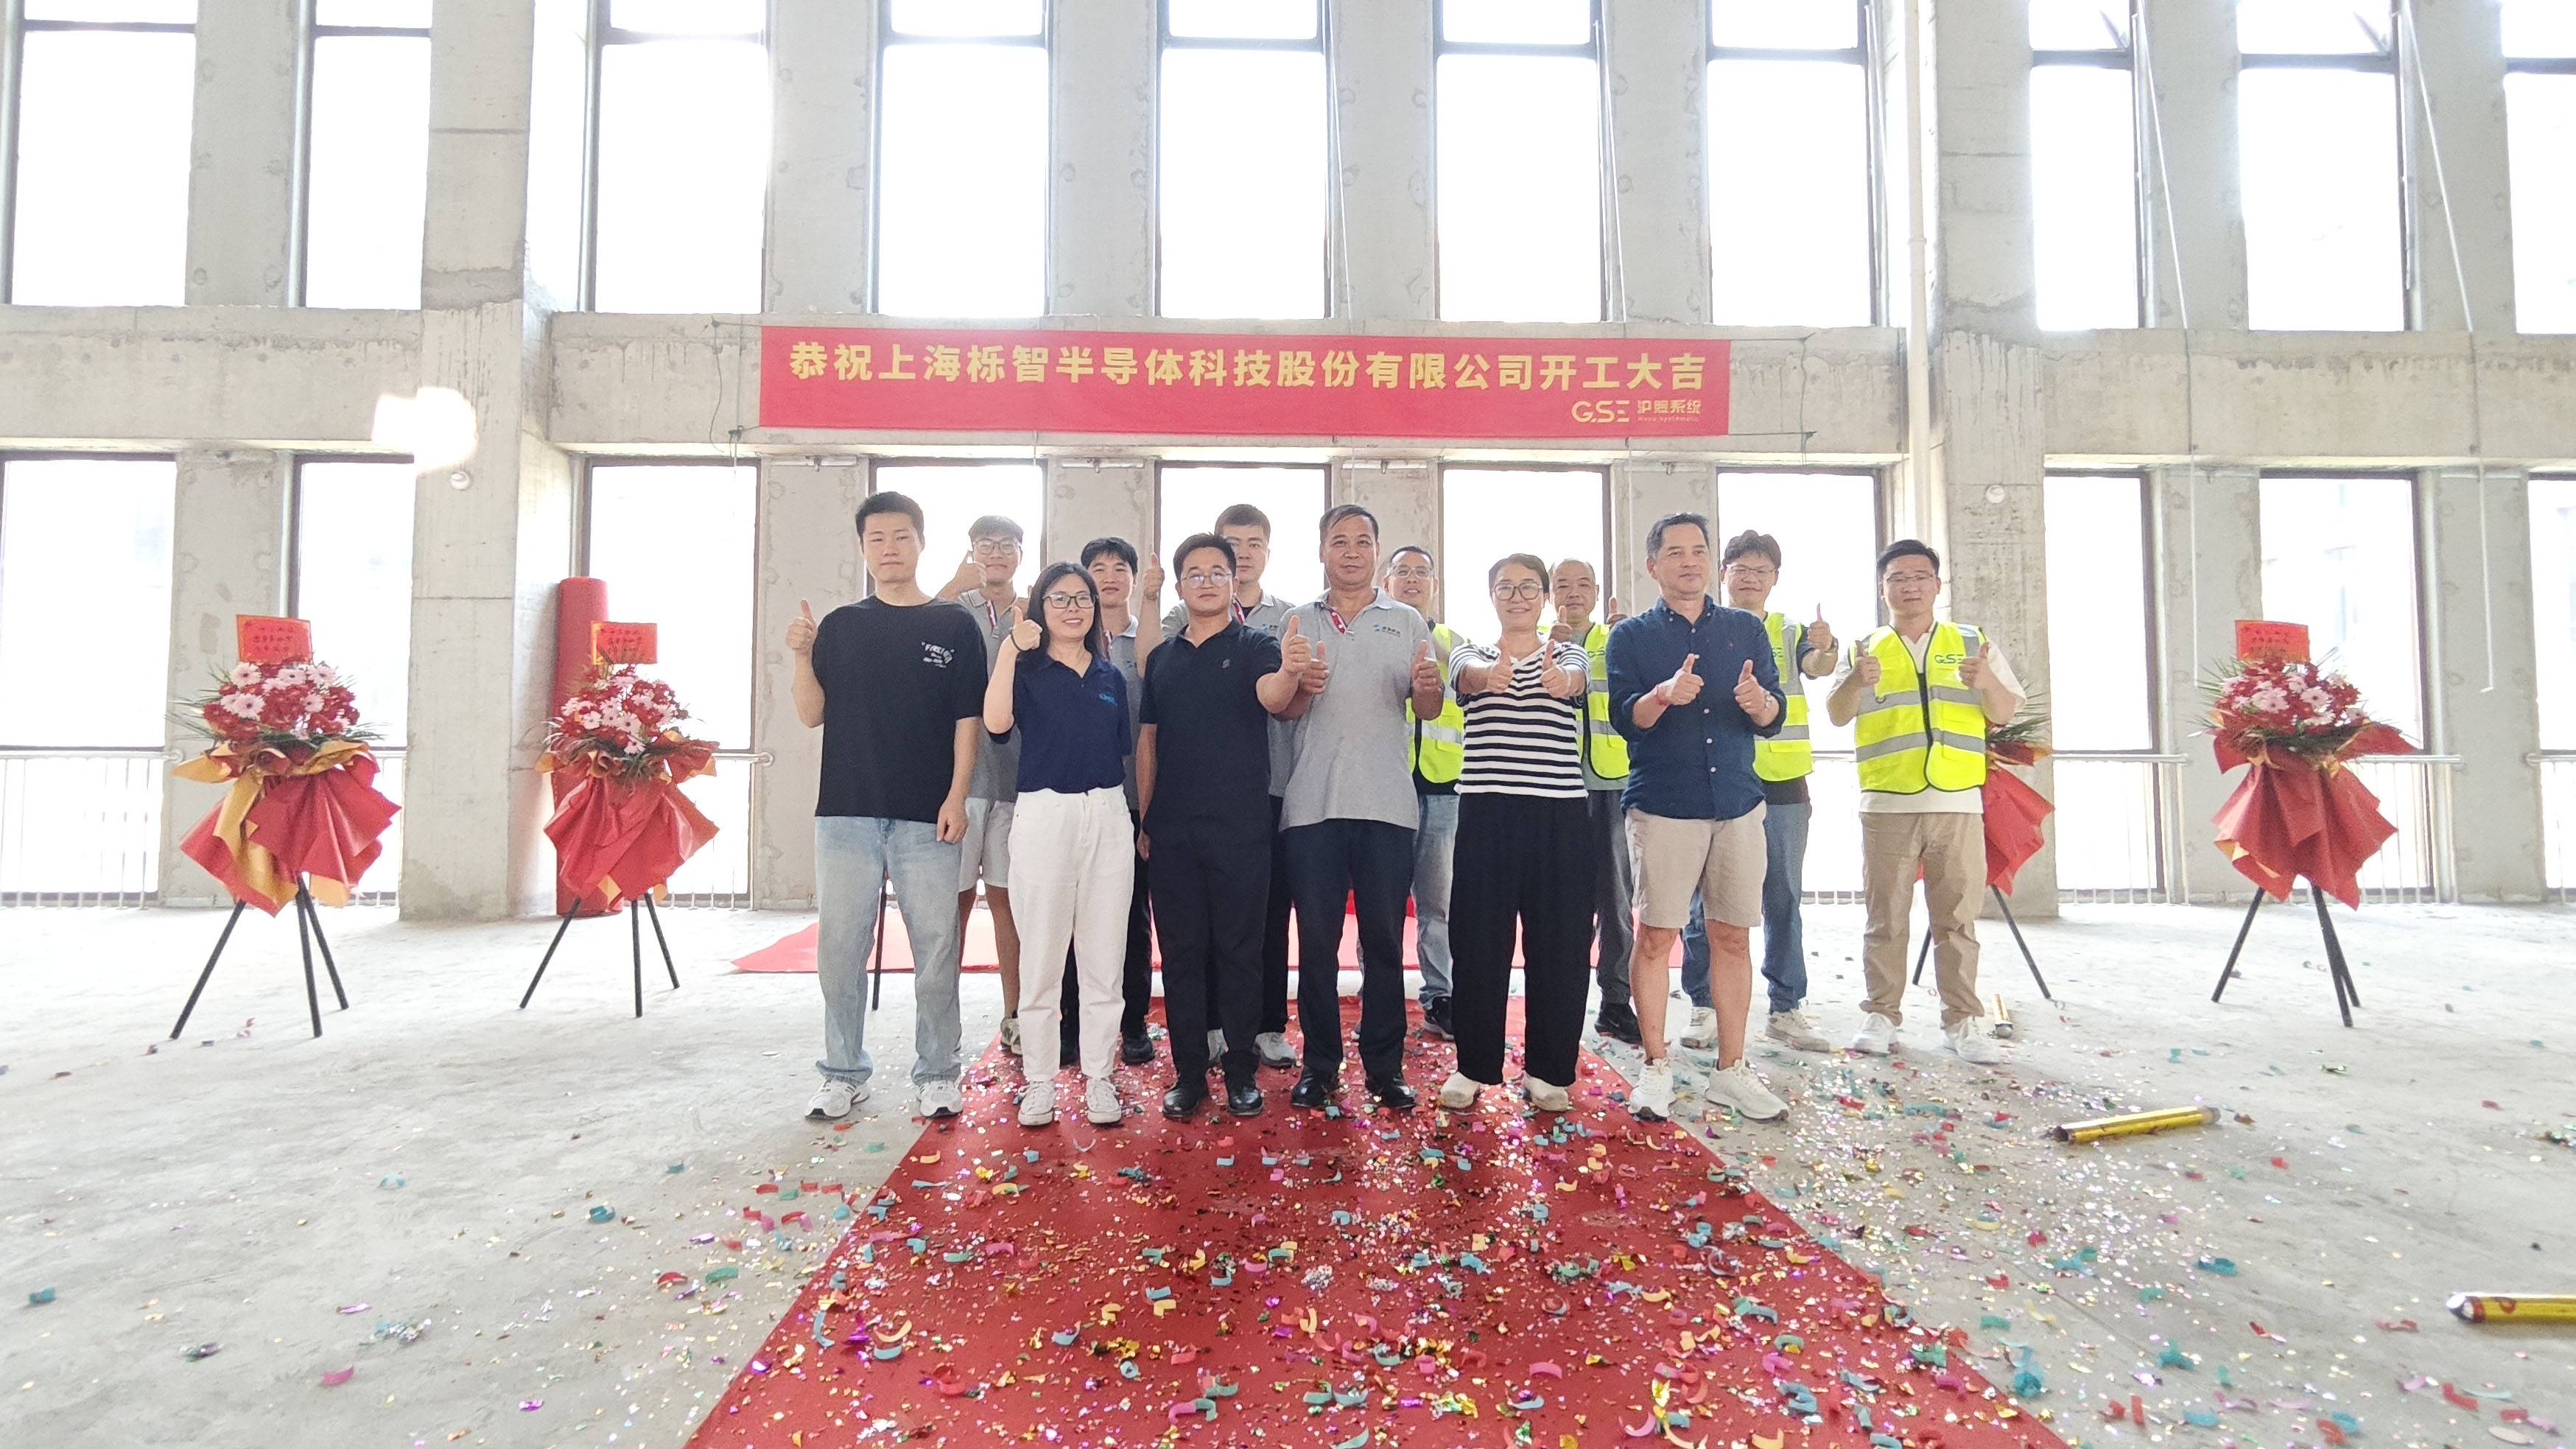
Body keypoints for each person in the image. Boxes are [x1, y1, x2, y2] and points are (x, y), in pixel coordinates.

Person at [788, 491, 983, 1122]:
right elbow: (811, 713)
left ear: (921, 543)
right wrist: (801, 656)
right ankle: (842, 1072)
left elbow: (968, 720)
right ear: (863, 548)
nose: (890, 548)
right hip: (845, 813)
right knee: (840, 949)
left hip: (928, 815)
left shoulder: (953, 625)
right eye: (877, 538)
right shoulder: (841, 625)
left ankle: (938, 1071)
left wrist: (956, 795)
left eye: (901, 536)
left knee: (937, 947)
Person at [1606, 513, 1791, 1123]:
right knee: (1656, 937)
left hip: (1737, 802)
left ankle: (1730, 1071)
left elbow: (1773, 711)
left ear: (1710, 561)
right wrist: (1661, 695)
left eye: (1697, 551)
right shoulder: (1630, 636)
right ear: (1652, 565)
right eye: (1674, 552)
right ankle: (1655, 1065)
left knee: (1732, 935)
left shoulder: (1745, 628)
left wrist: (1760, 703)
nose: (1688, 561)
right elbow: (1625, 719)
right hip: (1664, 805)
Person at [1824, 539, 2024, 1064]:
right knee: (1885, 917)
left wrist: (1985, 682)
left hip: (1957, 803)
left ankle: (1962, 1020)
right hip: (1886, 802)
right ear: (1882, 588)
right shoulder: (1864, 648)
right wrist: (1854, 679)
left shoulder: (1972, 642)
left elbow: (2004, 712)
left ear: (1937, 585)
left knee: (1956, 919)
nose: (1909, 586)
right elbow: (1837, 714)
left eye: (1919, 577)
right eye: (1897, 578)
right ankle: (1881, 1014)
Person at [1279, 504, 1444, 1112]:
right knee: (1316, 945)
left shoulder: (1407, 620)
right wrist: (1300, 686)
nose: (1351, 551)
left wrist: (1427, 689)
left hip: (1387, 805)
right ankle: (1319, 1065)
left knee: (1383, 945)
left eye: (1362, 541)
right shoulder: (1299, 619)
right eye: (1339, 540)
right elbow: (1284, 711)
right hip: (1312, 805)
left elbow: (1426, 708)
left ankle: (1384, 1065)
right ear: (1321, 550)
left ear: (1376, 551)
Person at [1137, 534, 1303, 1120]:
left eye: (1216, 571)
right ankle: (1187, 1073)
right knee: (1181, 953)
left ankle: (1239, 1070)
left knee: (1239, 951)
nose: (1205, 581)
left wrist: (1290, 670)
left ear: (1233, 582)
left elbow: (1273, 697)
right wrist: (1145, 818)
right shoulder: (1162, 658)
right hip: (1172, 831)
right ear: (1180, 585)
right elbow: (1149, 741)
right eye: (1194, 573)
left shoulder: (1256, 644)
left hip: (1240, 829)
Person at [1436, 554, 1596, 1114]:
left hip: (1559, 816)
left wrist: (1561, 680)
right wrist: (1488, 678)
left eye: (1529, 587)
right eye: (1506, 587)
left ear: (1545, 597)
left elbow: (1576, 681)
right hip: (1487, 812)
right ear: (1492, 597)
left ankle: (1548, 1070)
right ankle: (1472, 1065)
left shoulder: (1569, 652)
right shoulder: (1471, 652)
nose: (1518, 596)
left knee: (1560, 945)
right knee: (1478, 942)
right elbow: (1466, 678)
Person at [986, 561, 1136, 1128]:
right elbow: (996, 722)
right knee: (1043, 956)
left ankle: (1099, 1076)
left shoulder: (1109, 675)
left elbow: (1119, 748)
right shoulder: (1026, 670)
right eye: (1059, 598)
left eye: (1082, 598)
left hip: (1106, 812)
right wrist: (1009, 648)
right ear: (1040, 608)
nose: (1073, 608)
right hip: (1044, 814)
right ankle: (1040, 1081)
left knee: (1104, 956)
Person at [1677, 530, 1838, 1055]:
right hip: (1718, 777)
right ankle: (1704, 1004)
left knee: (1783, 895)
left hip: (1782, 781)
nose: (1749, 578)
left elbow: (1817, 666)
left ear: (1775, 579)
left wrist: (1825, 647)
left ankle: (1786, 1006)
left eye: (1760, 570)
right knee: (1704, 900)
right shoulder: (1702, 627)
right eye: (1740, 568)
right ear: (1723, 573)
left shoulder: (1790, 630)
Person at [1051, 536, 1164, 1070]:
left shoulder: (1152, 638)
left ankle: (1133, 1022)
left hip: (1136, 798)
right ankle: (1070, 1023)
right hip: (1078, 798)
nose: (1110, 576)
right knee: (1074, 919)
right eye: (1098, 568)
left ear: (1134, 579)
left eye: (1121, 568)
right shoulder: (1069, 638)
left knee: (1132, 917)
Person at [936, 516, 1029, 1059]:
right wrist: (952, 584)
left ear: (1021, 553)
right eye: (985, 545)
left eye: (1006, 545)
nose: (996, 553)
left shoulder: (1032, 611)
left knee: (1007, 902)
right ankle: (942, 1020)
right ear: (971, 551)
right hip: (958, 781)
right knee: (952, 904)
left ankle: (1015, 1015)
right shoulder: (953, 607)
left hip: (1016, 781)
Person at [1548, 560, 1638, 1045]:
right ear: (1549, 594)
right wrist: (1551, 650)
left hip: (1610, 782)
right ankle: (1561, 1000)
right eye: (1562, 585)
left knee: (1616, 898)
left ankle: (1615, 1001)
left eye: (1583, 584)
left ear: (1597, 592)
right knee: (1563, 901)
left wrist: (1633, 639)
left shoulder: (1619, 637)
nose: (1573, 593)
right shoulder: (1538, 641)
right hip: (1555, 786)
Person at [1383, 544, 1463, 1040]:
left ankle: (1440, 996)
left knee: (1438, 904)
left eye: (1422, 572)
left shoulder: (1457, 645)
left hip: (1443, 788)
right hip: (1386, 786)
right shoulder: (1379, 638)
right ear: (1387, 582)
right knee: (1383, 904)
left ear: (1434, 584)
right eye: (1402, 572)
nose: (1412, 580)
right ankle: (1382, 996)